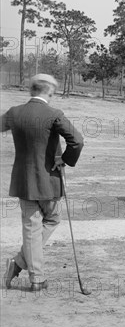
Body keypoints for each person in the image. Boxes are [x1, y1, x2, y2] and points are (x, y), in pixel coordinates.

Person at [2, 74, 84, 291]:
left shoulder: (14, 113)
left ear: (32, 90)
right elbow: (78, 140)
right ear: (49, 91)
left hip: (24, 182)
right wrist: (64, 160)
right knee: (51, 219)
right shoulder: (54, 114)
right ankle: (35, 277)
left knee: (32, 228)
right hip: (49, 182)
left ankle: (21, 265)